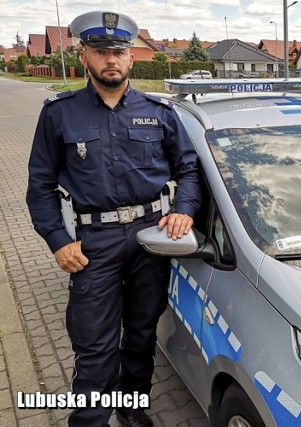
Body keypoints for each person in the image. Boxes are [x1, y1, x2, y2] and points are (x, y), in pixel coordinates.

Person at [26, 11, 200, 427]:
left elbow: (189, 168)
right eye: (101, 51)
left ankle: (132, 413)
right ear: (84, 56)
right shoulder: (59, 113)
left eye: (118, 52)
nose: (111, 60)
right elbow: (39, 187)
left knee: (140, 340)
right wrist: (57, 240)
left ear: (132, 59)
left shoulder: (159, 111)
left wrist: (183, 210)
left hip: (150, 239)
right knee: (95, 346)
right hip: (93, 244)